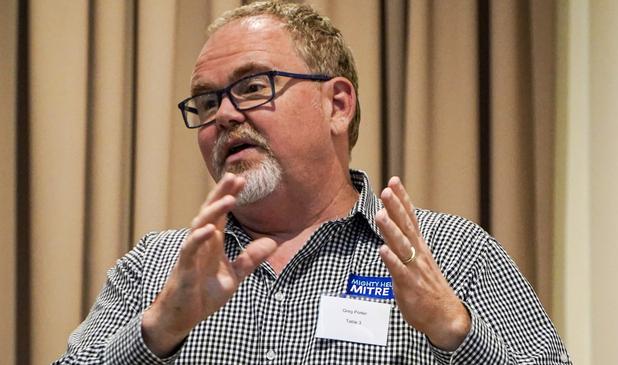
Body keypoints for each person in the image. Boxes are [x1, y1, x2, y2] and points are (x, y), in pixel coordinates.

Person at [54, 1, 571, 364]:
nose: (226, 114)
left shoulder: (455, 257)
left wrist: (455, 332)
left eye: (253, 86)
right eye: (208, 102)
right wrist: (158, 331)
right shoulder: (156, 271)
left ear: (337, 105)